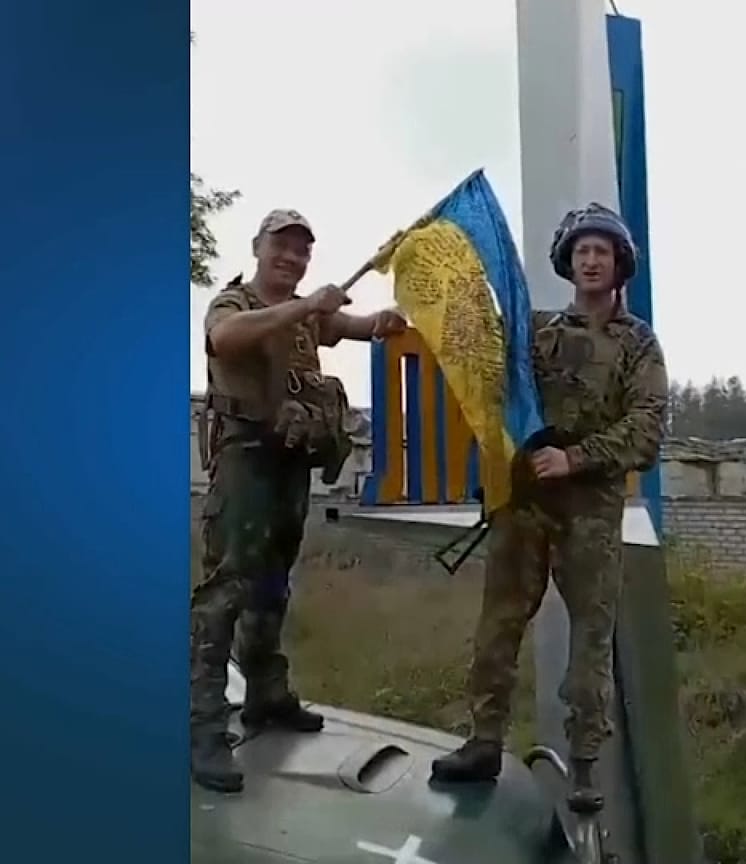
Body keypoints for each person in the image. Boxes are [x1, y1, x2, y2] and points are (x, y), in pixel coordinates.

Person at [430, 204, 669, 813]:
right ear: (568, 261)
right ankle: (484, 743)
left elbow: (647, 428)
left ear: (619, 265)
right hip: (525, 504)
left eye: (603, 251)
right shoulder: (534, 331)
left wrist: (577, 457)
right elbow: (491, 376)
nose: (591, 260)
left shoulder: (638, 343)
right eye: (582, 250)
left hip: (590, 510)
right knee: (498, 628)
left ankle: (585, 765)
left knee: (591, 641)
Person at [191, 208, 407, 794]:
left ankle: (266, 693)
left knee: (272, 583)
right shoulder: (236, 303)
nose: (291, 258)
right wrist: (306, 306)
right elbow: (223, 340)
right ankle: (203, 726)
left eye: (301, 250)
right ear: (259, 248)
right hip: (245, 461)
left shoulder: (309, 315)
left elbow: (352, 325)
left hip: (291, 462)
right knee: (227, 589)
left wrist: (382, 321)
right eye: (281, 247)